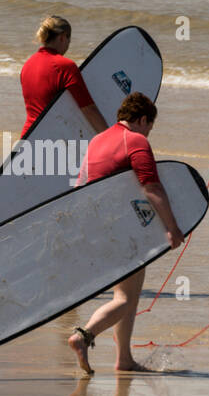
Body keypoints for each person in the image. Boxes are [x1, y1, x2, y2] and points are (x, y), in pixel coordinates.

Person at [67, 92, 183, 375]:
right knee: (125, 299)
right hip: (120, 229)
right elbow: (151, 188)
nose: (148, 133)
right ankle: (84, 335)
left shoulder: (98, 139)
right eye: (149, 127)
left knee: (129, 292)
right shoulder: (136, 141)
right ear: (142, 119)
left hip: (96, 226)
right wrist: (172, 227)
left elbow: (80, 184)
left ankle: (124, 359)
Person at [19, 15, 108, 138]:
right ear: (62, 37)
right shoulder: (65, 66)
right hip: (52, 139)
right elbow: (88, 109)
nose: (67, 46)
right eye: (68, 41)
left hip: (28, 136)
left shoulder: (27, 65)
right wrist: (110, 138)